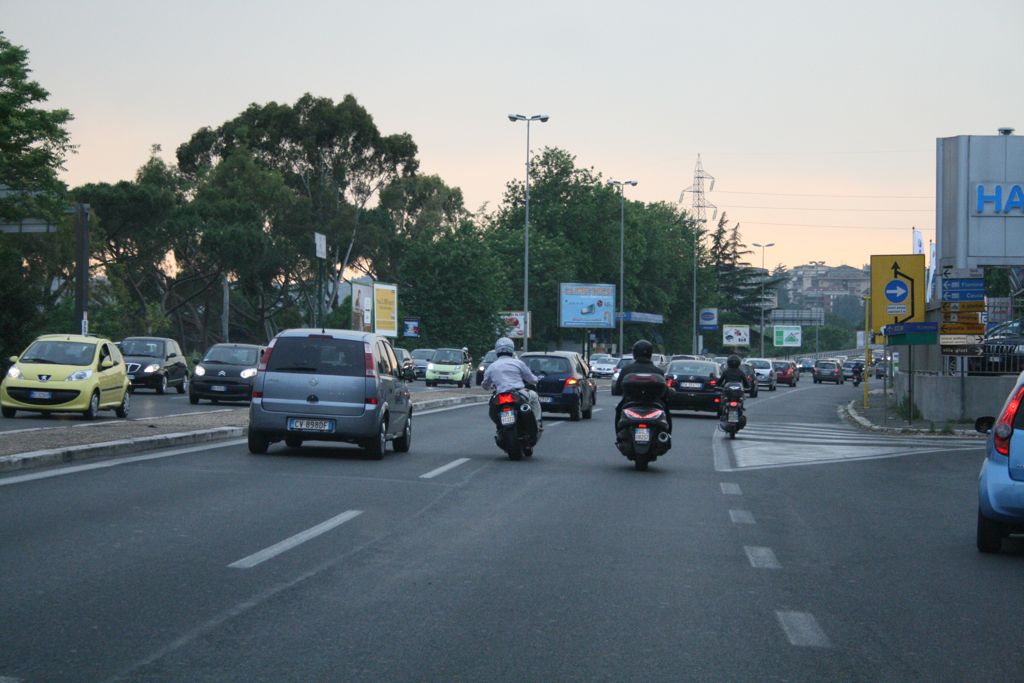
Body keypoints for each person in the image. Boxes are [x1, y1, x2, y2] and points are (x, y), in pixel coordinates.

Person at [481, 337, 542, 432]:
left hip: (500, 395)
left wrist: (490, 387)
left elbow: (485, 385)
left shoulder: (492, 366)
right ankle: (537, 422)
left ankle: (500, 427)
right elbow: (531, 379)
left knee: (492, 407)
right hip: (518, 393)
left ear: (497, 350)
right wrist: (536, 380)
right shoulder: (518, 363)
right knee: (534, 396)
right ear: (512, 350)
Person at [613, 339, 674, 431]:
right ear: (650, 354)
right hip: (654, 405)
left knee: (619, 410)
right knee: (666, 412)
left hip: (630, 404)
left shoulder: (627, 370)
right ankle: (666, 435)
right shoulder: (657, 371)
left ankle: (619, 434)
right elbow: (664, 392)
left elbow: (617, 390)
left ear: (635, 353)